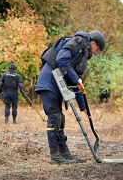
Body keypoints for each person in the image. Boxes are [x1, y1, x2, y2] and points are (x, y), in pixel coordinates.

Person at [35, 31, 105, 164]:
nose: (96, 52)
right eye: (97, 49)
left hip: (56, 85)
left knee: (60, 119)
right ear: (93, 43)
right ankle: (55, 155)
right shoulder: (78, 42)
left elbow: (75, 83)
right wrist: (76, 78)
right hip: (49, 82)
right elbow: (61, 59)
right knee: (55, 118)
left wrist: (83, 107)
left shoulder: (81, 56)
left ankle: (64, 153)